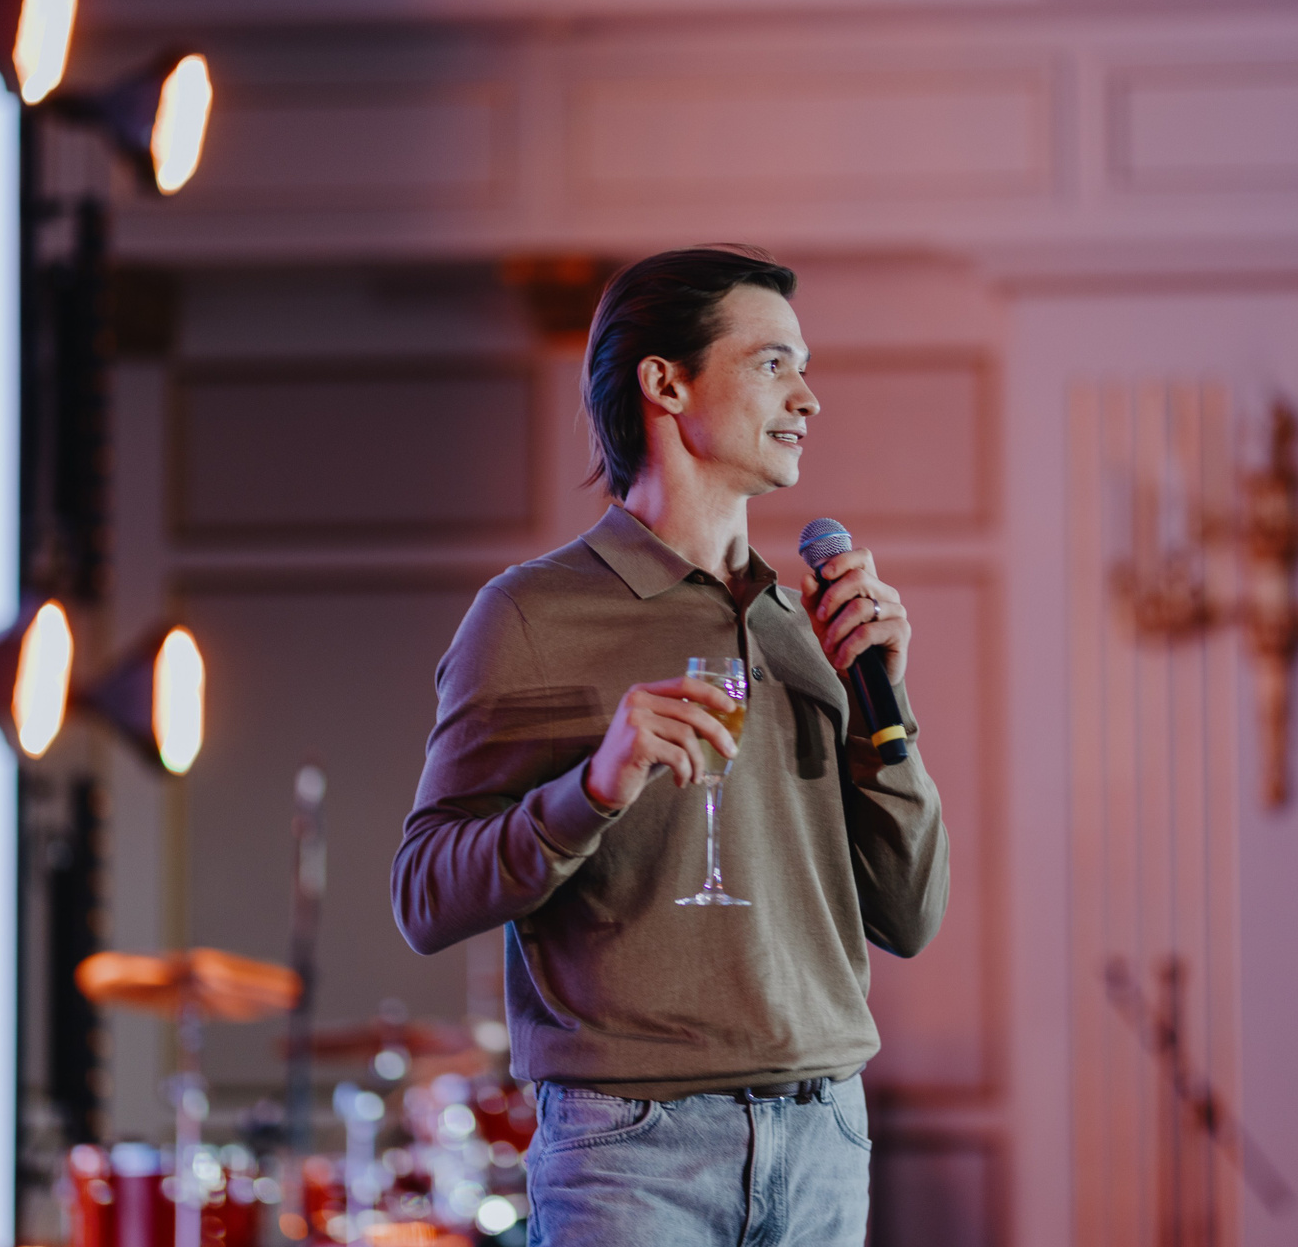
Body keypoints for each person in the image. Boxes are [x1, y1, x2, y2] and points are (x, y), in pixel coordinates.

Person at [392, 245, 949, 1246]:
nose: (809, 397)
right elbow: (426, 896)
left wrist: (885, 705)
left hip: (825, 1139)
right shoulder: (528, 616)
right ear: (666, 382)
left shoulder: (809, 628)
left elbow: (909, 914)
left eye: (804, 367)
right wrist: (593, 789)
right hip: (632, 1156)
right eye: (773, 363)